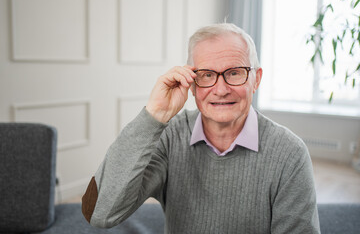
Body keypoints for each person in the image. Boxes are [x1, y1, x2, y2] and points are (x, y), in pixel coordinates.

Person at [82, 23, 320, 233]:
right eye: (206, 75)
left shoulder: (290, 153)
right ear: (192, 84)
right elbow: (99, 213)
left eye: (234, 73)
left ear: (255, 79)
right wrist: (154, 115)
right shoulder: (169, 136)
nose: (221, 89)